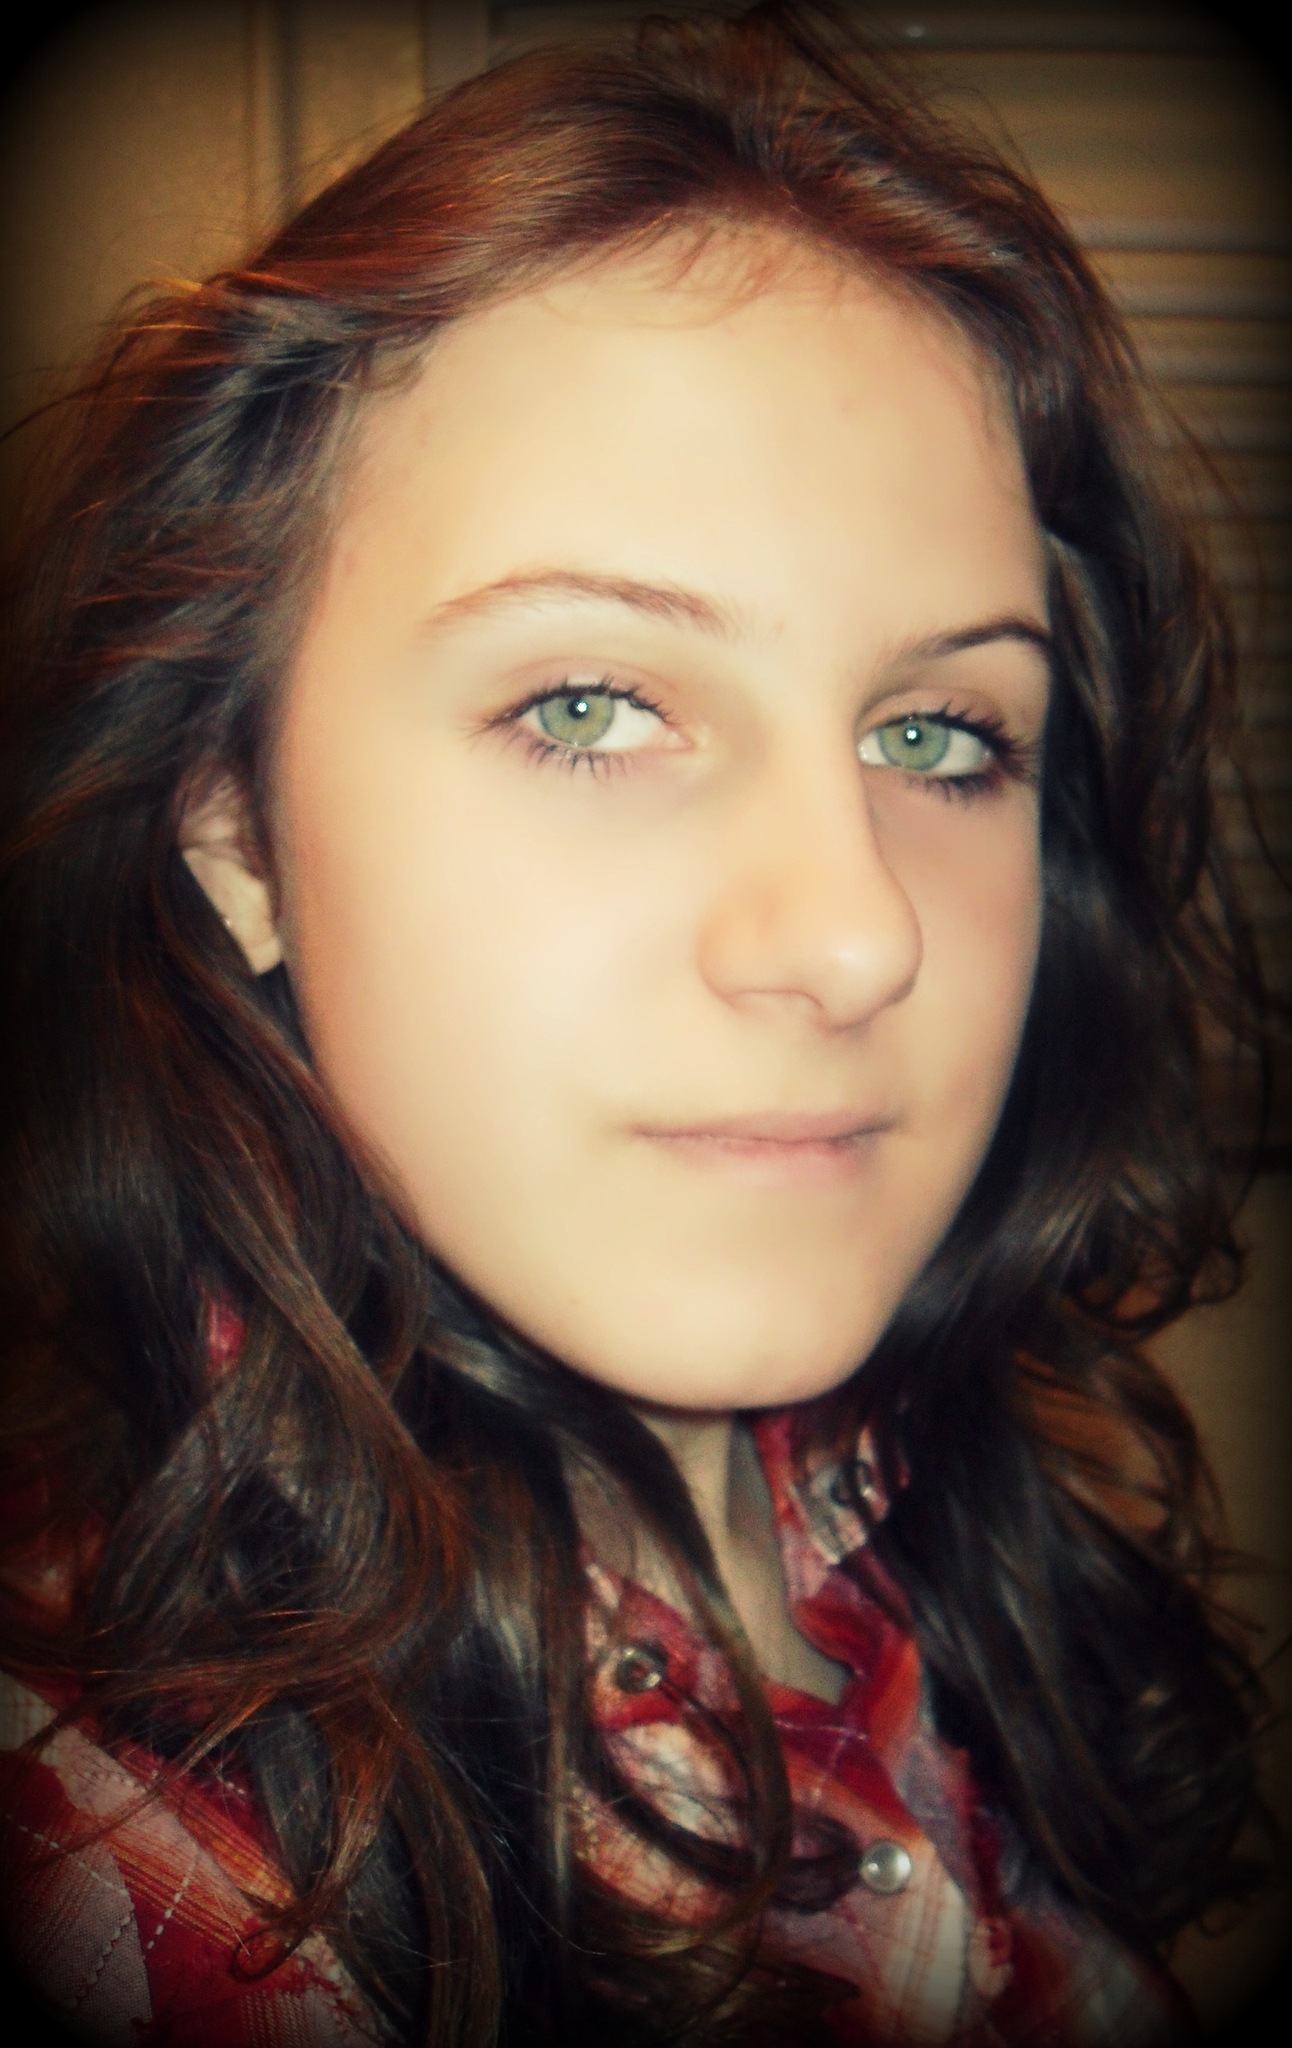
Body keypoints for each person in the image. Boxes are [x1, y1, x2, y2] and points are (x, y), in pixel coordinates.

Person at [0, 5, 1277, 2043]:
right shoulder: (136, 1888)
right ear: (232, 821)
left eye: (939, 734)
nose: (854, 936)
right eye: (588, 706)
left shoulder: (948, 1511)